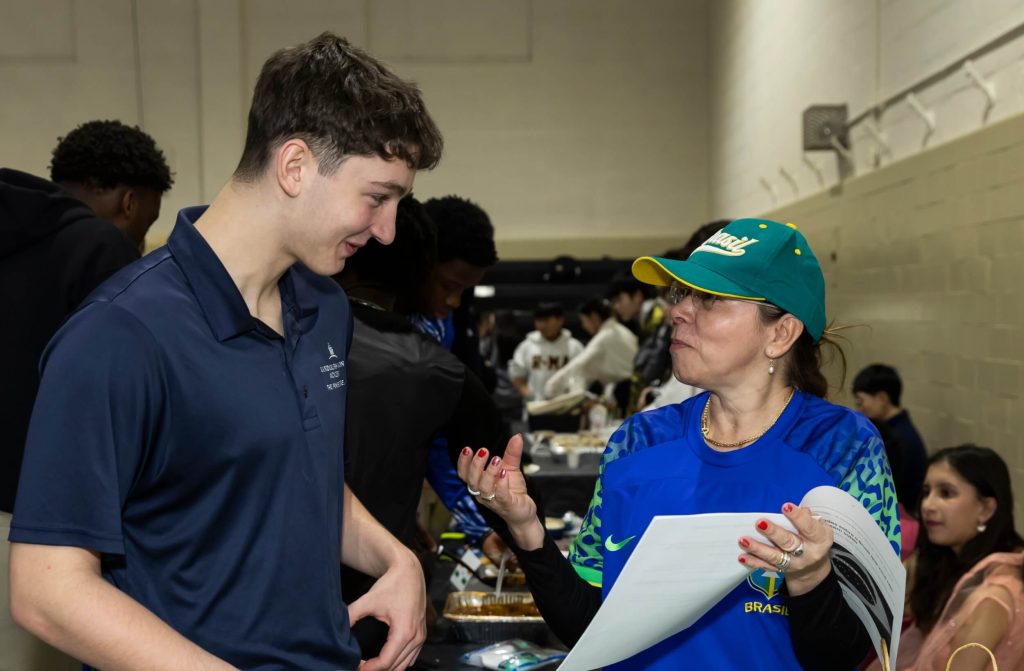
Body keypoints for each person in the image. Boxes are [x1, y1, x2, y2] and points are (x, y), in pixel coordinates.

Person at [9, 32, 443, 671]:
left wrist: (394, 557)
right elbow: (46, 590)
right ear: (294, 166)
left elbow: (293, 472)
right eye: (377, 197)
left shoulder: (323, 307)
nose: (387, 231)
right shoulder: (117, 336)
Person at [459, 218, 901, 670]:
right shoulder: (638, 442)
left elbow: (848, 655)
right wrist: (527, 530)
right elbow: (591, 629)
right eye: (681, 294)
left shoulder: (842, 448)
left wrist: (811, 578)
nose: (679, 311)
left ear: (780, 333)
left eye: (708, 299)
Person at [1, 120, 172, 671]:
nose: (141, 242)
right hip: (45, 527)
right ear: (129, 201)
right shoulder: (101, 252)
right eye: (146, 223)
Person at [337, 195, 507, 658]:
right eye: (448, 285)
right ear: (420, 267)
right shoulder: (416, 355)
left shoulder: (434, 337)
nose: (452, 302)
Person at [868, 445, 1024, 671]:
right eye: (926, 492)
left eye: (946, 493)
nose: (928, 505)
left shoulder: (993, 596)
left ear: (986, 509)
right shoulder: (944, 562)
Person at [853, 363, 928, 510]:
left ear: (881, 398)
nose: (859, 409)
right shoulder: (897, 432)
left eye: (861, 401)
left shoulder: (901, 440)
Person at [543, 296, 637, 403]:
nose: (583, 326)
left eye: (584, 320)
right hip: (627, 390)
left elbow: (578, 366)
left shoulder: (605, 337)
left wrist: (551, 389)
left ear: (594, 317)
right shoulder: (623, 331)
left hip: (627, 394)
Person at [509, 302, 584, 401]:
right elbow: (517, 375)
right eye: (538, 321)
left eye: (546, 321)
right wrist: (530, 396)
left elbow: (583, 376)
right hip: (536, 408)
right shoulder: (526, 346)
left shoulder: (575, 347)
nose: (541, 326)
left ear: (560, 320)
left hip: (567, 408)